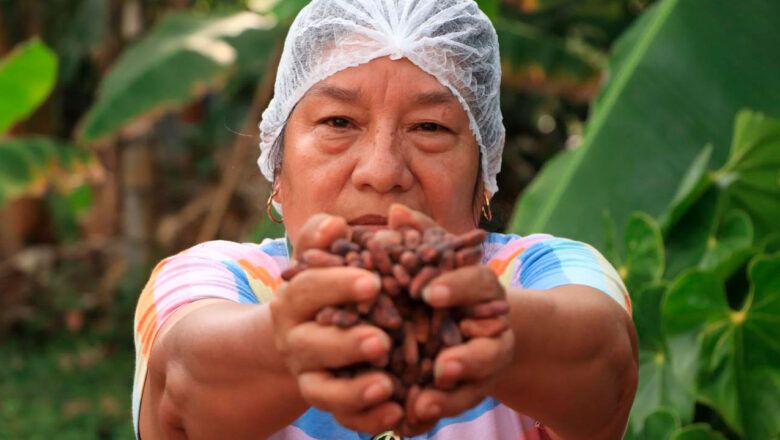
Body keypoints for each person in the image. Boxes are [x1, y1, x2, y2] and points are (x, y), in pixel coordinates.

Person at [133, 0, 638, 438]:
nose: (382, 171)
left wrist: (490, 327)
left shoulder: (543, 272)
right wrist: (288, 341)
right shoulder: (216, 280)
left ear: (484, 175)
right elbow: (181, 387)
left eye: (430, 127)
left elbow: (606, 365)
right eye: (338, 122)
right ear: (277, 167)